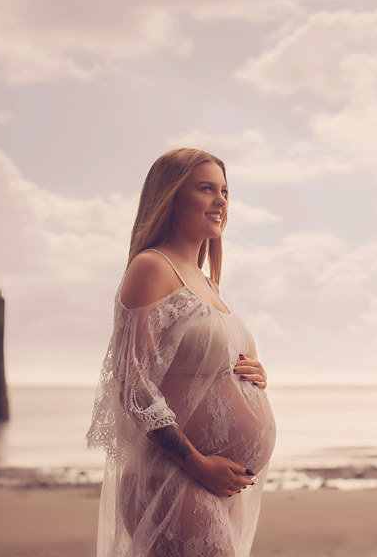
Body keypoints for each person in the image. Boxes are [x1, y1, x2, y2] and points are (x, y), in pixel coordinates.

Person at [87, 148, 276, 557]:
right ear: (171, 197)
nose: (221, 201)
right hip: (173, 474)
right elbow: (132, 386)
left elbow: (197, 364)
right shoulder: (152, 268)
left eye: (224, 191)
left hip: (214, 484)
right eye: (206, 189)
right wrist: (197, 463)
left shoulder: (208, 282)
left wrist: (253, 374)